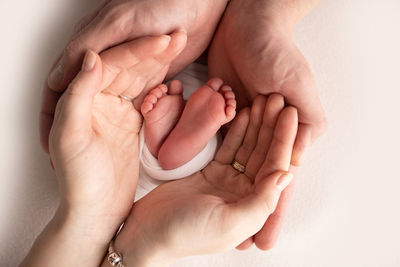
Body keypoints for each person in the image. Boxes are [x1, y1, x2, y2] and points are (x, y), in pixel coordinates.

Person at [40, 0, 327, 250]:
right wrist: (263, 13)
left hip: (150, 90)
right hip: (198, 93)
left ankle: (174, 142)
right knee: (207, 156)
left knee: (146, 154)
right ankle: (181, 143)